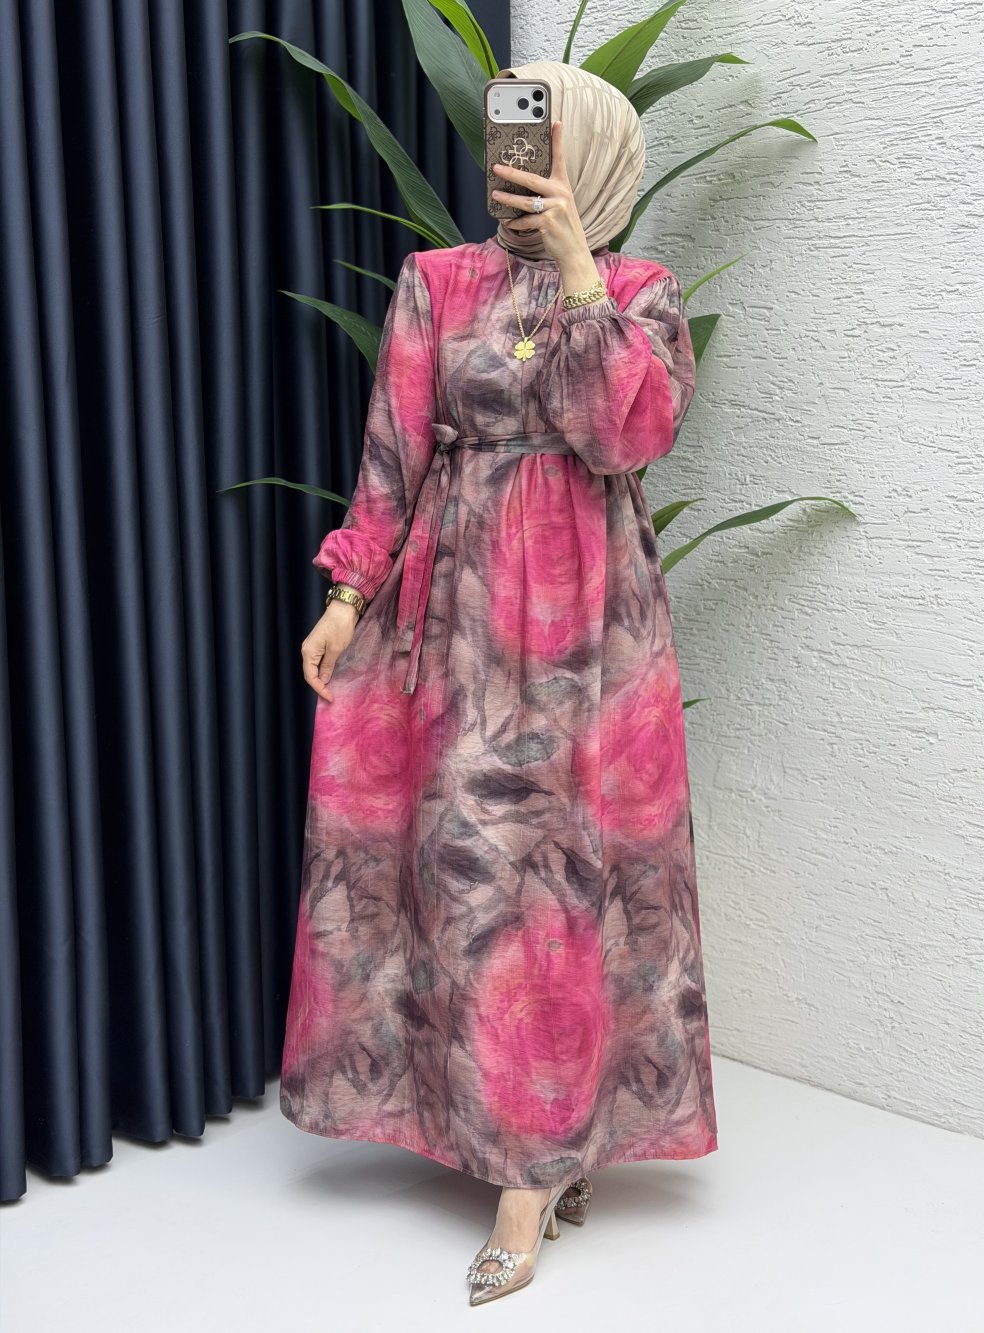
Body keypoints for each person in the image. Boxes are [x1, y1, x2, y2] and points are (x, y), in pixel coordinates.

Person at [284, 59, 718, 1306]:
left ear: (591, 156)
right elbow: (393, 456)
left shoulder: (640, 293)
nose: (507, 157)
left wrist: (580, 269)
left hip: (591, 635)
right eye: (500, 134)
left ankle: (537, 1167)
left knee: (563, 874)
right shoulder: (436, 282)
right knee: (470, 869)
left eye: (539, 137)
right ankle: (498, 1123)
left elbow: (627, 433)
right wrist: (347, 594)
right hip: (458, 615)